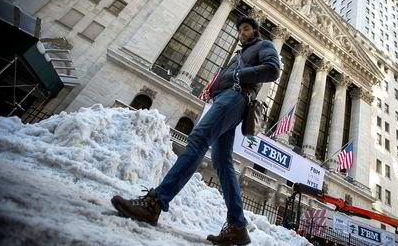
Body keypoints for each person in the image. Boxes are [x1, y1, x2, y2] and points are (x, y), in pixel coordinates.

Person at [111, 16, 280, 245]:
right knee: (222, 162)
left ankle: (155, 203)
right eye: (240, 29)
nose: (242, 32)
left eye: (247, 29)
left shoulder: (264, 46)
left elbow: (272, 70)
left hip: (235, 98)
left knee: (198, 140)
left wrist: (238, 75)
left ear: (255, 31)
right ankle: (237, 226)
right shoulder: (238, 55)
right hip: (224, 99)